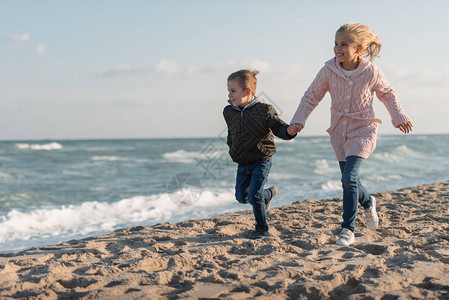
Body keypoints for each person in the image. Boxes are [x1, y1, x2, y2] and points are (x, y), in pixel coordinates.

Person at [287, 23, 413, 246]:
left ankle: (348, 230)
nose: (337, 48)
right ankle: (368, 202)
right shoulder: (328, 70)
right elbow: (311, 96)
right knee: (349, 180)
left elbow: (388, 94)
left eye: (344, 44)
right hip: (338, 131)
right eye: (336, 43)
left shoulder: (371, 71)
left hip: (363, 129)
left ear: (360, 49)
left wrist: (398, 117)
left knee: (348, 178)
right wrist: (298, 120)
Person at [223, 69, 297, 239]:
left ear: (247, 91)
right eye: (228, 90)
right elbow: (231, 133)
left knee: (254, 195)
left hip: (261, 160)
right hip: (242, 161)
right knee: (242, 197)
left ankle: (262, 229)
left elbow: (279, 128)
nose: (229, 94)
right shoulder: (229, 111)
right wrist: (232, 147)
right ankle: (268, 194)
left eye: (233, 91)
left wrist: (290, 131)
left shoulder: (264, 110)